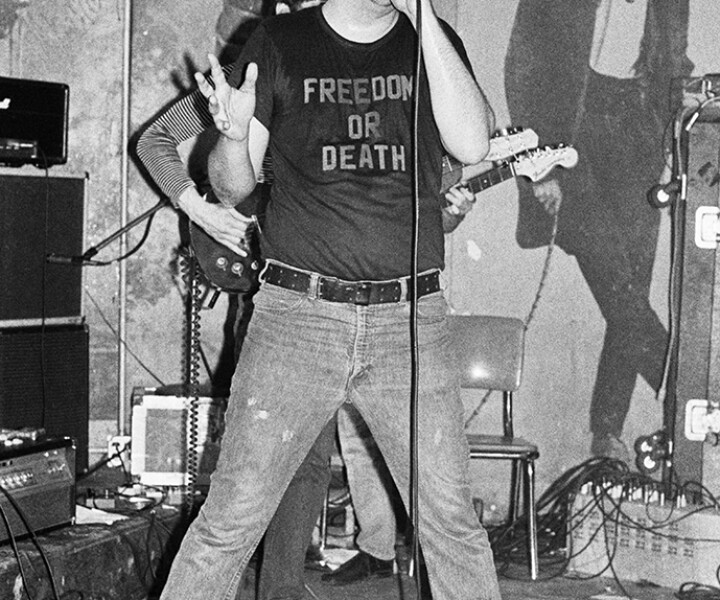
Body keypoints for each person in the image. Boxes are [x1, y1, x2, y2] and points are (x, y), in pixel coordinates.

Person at [155, 0, 500, 598]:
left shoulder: (433, 41)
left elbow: (471, 145)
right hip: (298, 317)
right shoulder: (279, 41)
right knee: (228, 524)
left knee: (452, 526)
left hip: (410, 322)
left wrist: (426, 19)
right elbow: (233, 185)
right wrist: (233, 138)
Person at [504, 0, 694, 462]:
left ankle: (608, 430)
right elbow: (523, 69)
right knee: (617, 284)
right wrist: (539, 168)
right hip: (574, 132)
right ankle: (690, 393)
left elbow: (674, 60)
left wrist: (685, 105)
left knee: (631, 285)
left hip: (640, 130)